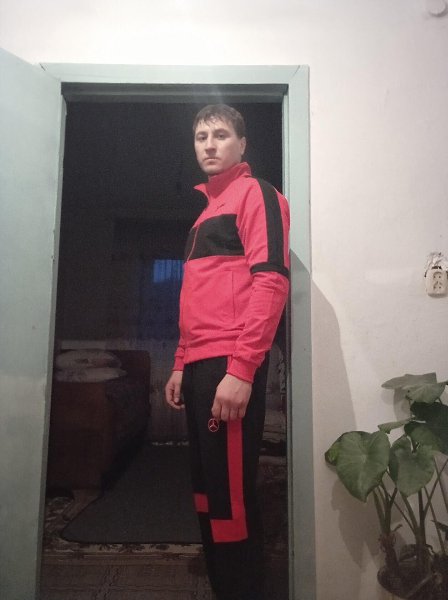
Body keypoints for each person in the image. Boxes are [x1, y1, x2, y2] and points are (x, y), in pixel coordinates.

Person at [165, 104, 290, 600]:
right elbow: (195, 298)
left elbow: (271, 280)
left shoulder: (257, 194)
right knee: (209, 491)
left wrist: (241, 370)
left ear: (242, 144)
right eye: (201, 136)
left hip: (229, 364)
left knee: (230, 499)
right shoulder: (202, 216)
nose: (209, 144)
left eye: (220, 134)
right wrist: (180, 362)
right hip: (200, 364)